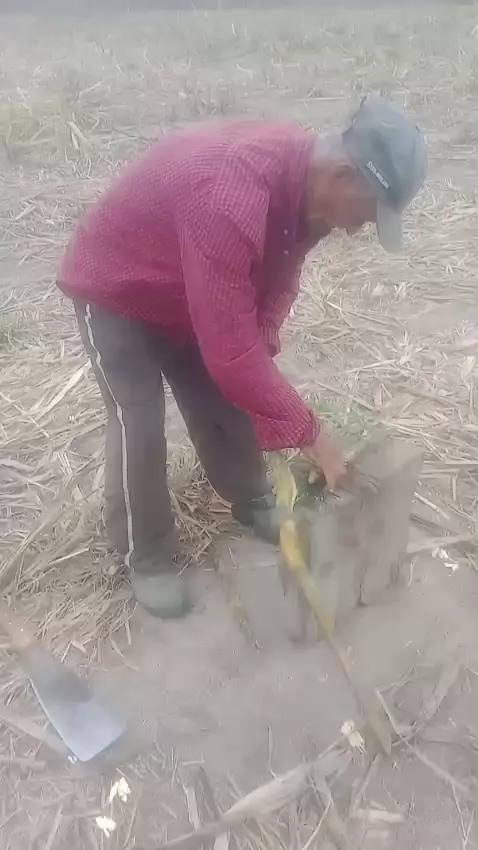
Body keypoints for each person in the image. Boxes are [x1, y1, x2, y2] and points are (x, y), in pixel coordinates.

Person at [58, 95, 427, 619]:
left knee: (225, 395)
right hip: (117, 288)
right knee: (138, 422)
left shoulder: (308, 190)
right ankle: (147, 555)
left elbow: (281, 274)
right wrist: (311, 433)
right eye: (367, 213)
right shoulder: (228, 195)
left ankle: (250, 499)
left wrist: (264, 344)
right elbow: (232, 355)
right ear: (344, 175)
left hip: (190, 285)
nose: (359, 227)